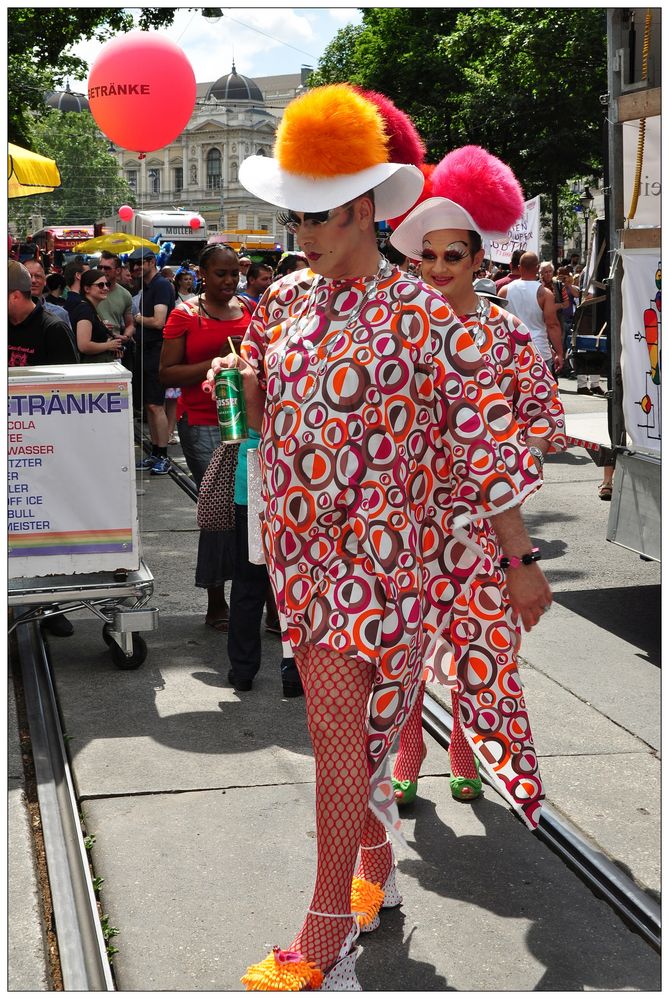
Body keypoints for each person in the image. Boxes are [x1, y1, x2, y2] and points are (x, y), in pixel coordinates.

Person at [206, 84, 551, 991]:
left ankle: (326, 933)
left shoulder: (424, 315)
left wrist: (517, 561)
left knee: (336, 744)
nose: (303, 231)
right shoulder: (282, 301)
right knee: (348, 741)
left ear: (364, 207)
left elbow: (481, 442)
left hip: (389, 571)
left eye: (319, 214)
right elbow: (264, 421)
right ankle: (374, 870)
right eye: (294, 214)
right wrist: (240, 378)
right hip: (299, 555)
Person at [389, 145, 566, 817]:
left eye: (450, 254)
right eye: (423, 255)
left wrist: (487, 455)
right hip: (403, 525)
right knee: (398, 654)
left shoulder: (505, 336)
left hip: (484, 532)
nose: (435, 268)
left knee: (482, 652)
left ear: (477, 259)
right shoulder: (393, 332)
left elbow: (544, 420)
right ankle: (408, 755)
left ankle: (466, 753)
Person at [159, 244, 250, 635]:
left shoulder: (249, 309)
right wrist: (211, 364)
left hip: (249, 422)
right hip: (201, 422)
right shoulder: (185, 314)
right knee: (219, 508)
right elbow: (167, 373)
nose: (229, 281)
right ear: (202, 273)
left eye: (234, 274)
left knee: (249, 510)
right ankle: (216, 598)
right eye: (220, 274)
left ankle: (258, 598)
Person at [8, 260, 78, 637]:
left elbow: (71, 394)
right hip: (9, 445)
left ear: (16, 296)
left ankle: (51, 605)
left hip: (45, 449)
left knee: (46, 528)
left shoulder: (52, 329)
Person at [131, 248, 176, 476]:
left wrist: (137, 319)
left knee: (156, 404)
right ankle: (156, 453)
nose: (136, 268)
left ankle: (163, 456)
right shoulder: (147, 286)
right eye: (133, 265)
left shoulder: (160, 285)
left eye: (139, 264)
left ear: (151, 262)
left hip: (157, 351)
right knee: (149, 404)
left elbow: (159, 322)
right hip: (146, 351)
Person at [500, 251, 564, 374]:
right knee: (541, 391)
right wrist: (559, 353)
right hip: (539, 350)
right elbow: (552, 325)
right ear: (538, 268)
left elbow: (498, 322)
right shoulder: (545, 293)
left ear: (519, 267)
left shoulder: (504, 291)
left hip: (512, 350)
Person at [70, 269, 124, 362]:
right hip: (92, 369)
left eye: (107, 284)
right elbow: (84, 345)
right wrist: (108, 345)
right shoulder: (84, 310)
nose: (106, 288)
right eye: (100, 285)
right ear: (87, 289)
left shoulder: (89, 309)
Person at [96, 251, 136, 370]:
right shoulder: (90, 290)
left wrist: (126, 336)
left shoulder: (125, 295)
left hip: (115, 350)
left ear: (118, 271)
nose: (102, 271)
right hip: (93, 346)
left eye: (107, 268)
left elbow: (130, 324)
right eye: (100, 267)